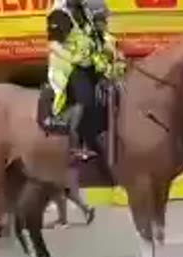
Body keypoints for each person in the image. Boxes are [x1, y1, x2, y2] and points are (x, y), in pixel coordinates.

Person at [46, 0, 123, 162]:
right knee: (86, 99)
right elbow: (53, 45)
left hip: (88, 64)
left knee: (110, 92)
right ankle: (75, 144)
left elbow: (96, 36)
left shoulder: (85, 12)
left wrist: (111, 53)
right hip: (68, 67)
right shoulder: (60, 15)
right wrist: (72, 58)